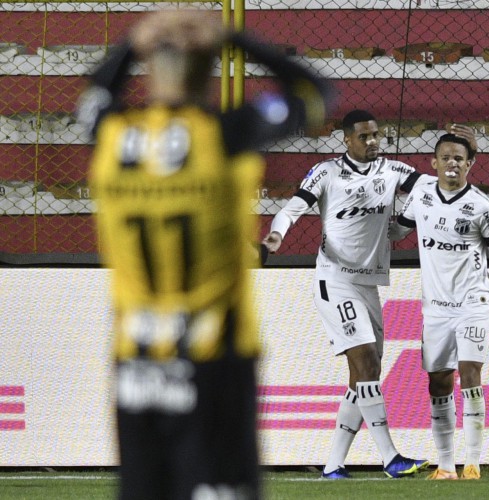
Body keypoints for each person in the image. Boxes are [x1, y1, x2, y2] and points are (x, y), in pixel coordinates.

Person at [78, 10, 333, 499]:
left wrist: (132, 44)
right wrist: (233, 38)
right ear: (209, 70)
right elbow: (313, 94)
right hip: (213, 358)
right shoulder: (225, 135)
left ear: (151, 68)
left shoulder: (110, 136)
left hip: (138, 364)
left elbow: (94, 98)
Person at [262, 110, 477, 478]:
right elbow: (293, 207)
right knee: (363, 362)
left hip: (369, 284)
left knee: (367, 373)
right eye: (364, 136)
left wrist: (468, 151)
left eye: (377, 135)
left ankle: (333, 464)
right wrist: (276, 235)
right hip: (334, 280)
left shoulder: (392, 171)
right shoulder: (327, 172)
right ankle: (390, 457)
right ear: (347, 139)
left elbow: (437, 183)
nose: (373, 141)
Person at [389, 133, 489, 480]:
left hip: (473, 302)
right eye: (446, 157)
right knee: (438, 382)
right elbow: (398, 233)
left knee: (470, 374)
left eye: (459, 158)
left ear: (470, 164)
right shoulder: (422, 194)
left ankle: (472, 462)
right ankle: (445, 465)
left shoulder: (483, 205)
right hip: (436, 307)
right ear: (434, 162)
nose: (453, 163)